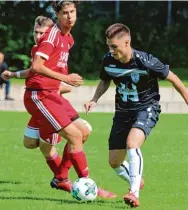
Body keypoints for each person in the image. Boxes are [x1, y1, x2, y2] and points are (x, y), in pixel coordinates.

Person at [84, 23, 188, 207]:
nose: (111, 50)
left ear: (127, 42)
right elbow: (104, 81)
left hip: (147, 108)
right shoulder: (108, 60)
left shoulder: (145, 61)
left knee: (132, 144)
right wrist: (94, 99)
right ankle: (136, 179)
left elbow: (173, 77)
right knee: (114, 162)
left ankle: (134, 193)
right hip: (122, 112)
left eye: (114, 46)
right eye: (108, 46)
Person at [13, 1, 115, 199]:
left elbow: (55, 68)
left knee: (83, 132)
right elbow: (37, 66)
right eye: (65, 13)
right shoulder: (51, 36)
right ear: (57, 15)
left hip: (52, 94)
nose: (70, 16)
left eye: (72, 12)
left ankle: (60, 177)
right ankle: (89, 185)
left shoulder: (68, 39)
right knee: (71, 138)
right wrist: (66, 79)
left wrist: (64, 81)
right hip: (39, 94)